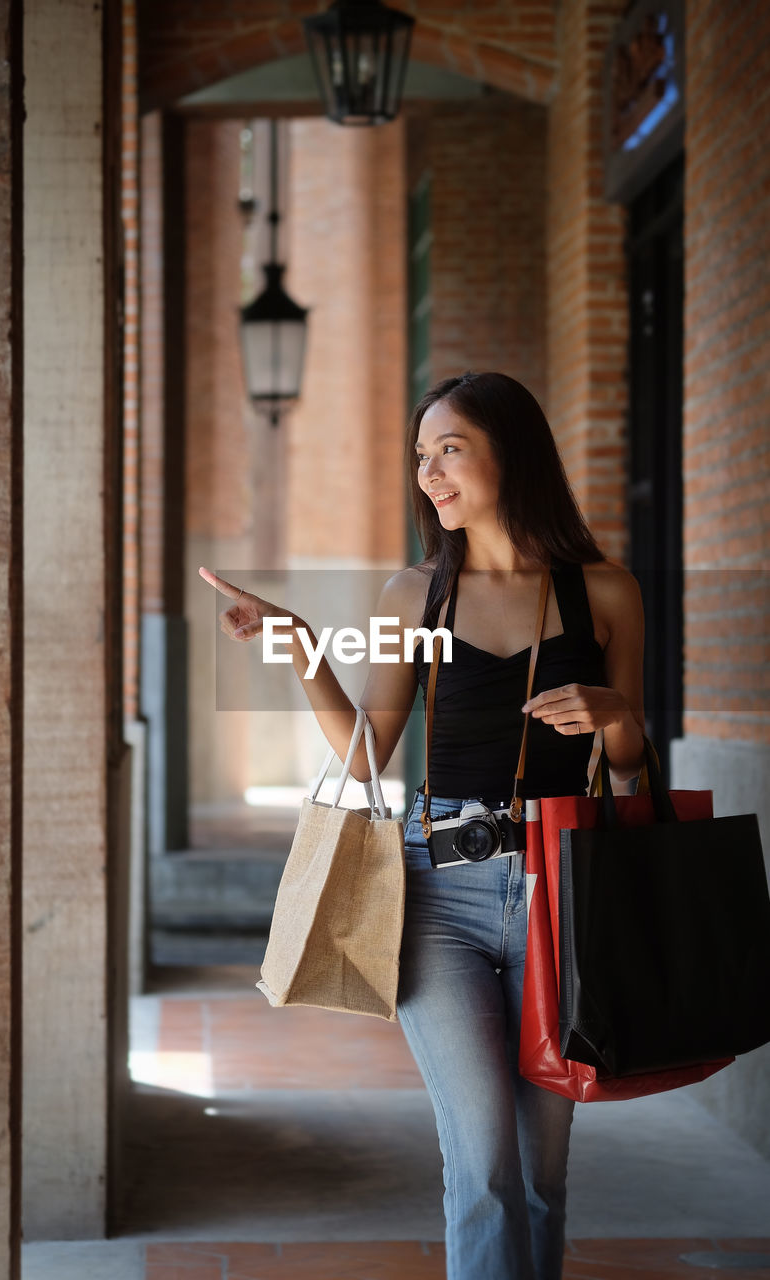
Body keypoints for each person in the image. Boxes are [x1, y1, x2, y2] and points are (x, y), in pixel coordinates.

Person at [199, 370, 646, 1280]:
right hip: (438, 895)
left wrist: (611, 711)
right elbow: (365, 756)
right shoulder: (415, 596)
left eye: (450, 449)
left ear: (509, 455)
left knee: (541, 1175)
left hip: (559, 889)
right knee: (482, 1162)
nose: (430, 474)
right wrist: (294, 639)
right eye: (420, 457)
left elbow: (632, 769)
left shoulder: (602, 592)